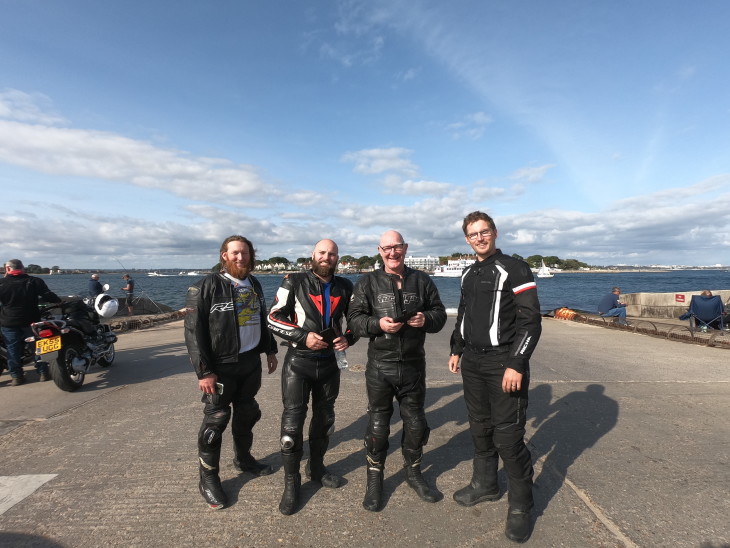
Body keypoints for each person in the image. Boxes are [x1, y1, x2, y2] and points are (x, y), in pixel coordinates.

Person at [447, 211, 542, 544]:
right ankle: (485, 485)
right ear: (467, 239)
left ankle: (521, 506)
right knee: (480, 427)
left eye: (484, 232)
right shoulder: (468, 273)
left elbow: (531, 321)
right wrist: (456, 348)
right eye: (473, 234)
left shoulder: (514, 268)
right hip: (472, 361)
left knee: (507, 437)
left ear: (495, 233)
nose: (479, 238)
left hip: (503, 361)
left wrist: (517, 363)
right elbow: (463, 315)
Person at [348, 230, 447, 512]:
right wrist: (378, 325)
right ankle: (374, 478)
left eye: (398, 247)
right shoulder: (367, 282)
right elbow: (354, 320)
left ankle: (413, 472)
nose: (393, 252)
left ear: (406, 248)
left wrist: (424, 318)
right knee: (378, 428)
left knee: (416, 425)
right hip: (381, 366)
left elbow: (439, 315)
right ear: (380, 250)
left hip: (414, 365)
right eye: (388, 248)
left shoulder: (422, 280)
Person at [184, 235, 279, 510]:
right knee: (216, 422)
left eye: (245, 253)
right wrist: (204, 372)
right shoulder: (204, 287)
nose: (241, 258)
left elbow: (262, 318)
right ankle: (208, 479)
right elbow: (193, 333)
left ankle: (244, 459)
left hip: (249, 362)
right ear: (224, 255)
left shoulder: (254, 283)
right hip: (221, 367)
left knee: (248, 412)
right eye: (235, 253)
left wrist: (270, 350)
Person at [267, 239, 358, 515]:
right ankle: (291, 482)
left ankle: (317, 468)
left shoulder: (345, 285)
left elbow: (356, 320)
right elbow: (273, 318)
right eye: (322, 253)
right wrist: (303, 337)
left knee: (325, 419)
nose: (327, 257)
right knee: (292, 426)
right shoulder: (293, 281)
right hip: (299, 363)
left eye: (332, 254)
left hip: (329, 364)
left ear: (337, 257)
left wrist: (348, 338)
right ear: (312, 255)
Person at [0, 259, 62, 385]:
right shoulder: (34, 281)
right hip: (32, 320)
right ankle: (43, 372)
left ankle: (17, 377)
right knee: (38, 347)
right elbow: (48, 296)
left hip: (9, 321)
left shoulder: (1, 283)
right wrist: (59, 301)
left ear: (7, 269)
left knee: (12, 350)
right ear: (23, 268)